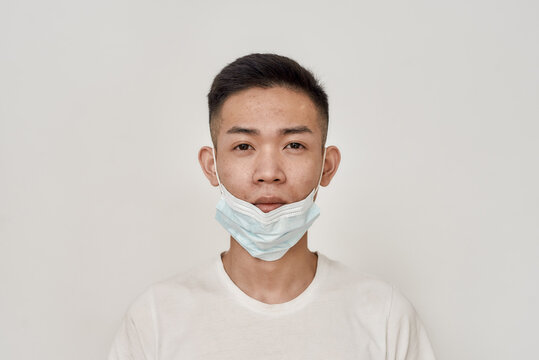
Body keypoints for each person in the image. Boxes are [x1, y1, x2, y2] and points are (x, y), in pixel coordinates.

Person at [108, 53, 436, 359]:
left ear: (327, 166)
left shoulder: (385, 316)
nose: (268, 173)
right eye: (243, 146)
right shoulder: (155, 318)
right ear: (211, 166)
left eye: (294, 145)